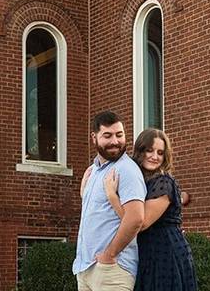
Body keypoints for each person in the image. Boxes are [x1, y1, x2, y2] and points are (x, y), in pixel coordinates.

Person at [104, 127, 197, 291]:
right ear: (140, 151)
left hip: (166, 252)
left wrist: (112, 196)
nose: (155, 157)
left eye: (160, 153)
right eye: (149, 150)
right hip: (147, 250)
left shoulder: (163, 182)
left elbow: (140, 223)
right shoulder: (139, 179)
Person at [73, 111, 147, 291]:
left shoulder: (126, 170)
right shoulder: (93, 170)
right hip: (86, 267)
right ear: (94, 137)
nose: (115, 141)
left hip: (112, 269)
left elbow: (136, 218)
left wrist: (110, 254)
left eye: (119, 135)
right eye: (108, 135)